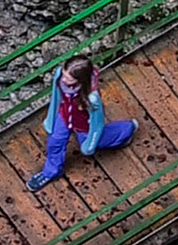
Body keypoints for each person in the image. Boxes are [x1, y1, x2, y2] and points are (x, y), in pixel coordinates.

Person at [27, 54, 137, 191]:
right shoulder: (60, 77)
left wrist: (89, 146)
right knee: (55, 142)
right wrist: (50, 119)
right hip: (64, 116)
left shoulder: (91, 98)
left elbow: (97, 124)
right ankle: (50, 172)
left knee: (100, 140)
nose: (64, 78)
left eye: (69, 78)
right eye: (64, 74)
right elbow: (56, 98)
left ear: (80, 80)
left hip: (84, 124)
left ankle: (126, 130)